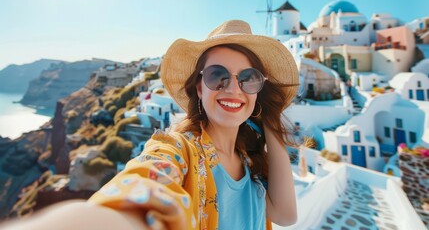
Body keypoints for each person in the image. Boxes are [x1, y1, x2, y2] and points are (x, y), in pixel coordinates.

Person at [0, 20, 298, 230]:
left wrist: (269, 118)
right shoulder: (179, 150)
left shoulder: (249, 161)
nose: (233, 88)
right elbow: (146, 186)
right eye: (217, 75)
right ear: (198, 87)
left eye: (248, 78)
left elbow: (285, 215)